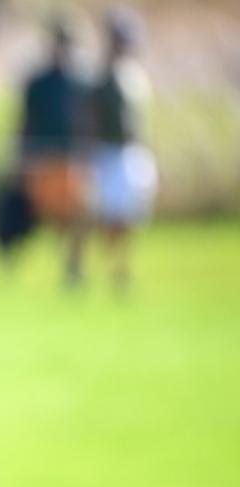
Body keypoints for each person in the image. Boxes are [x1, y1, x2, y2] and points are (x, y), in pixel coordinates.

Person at [18, 15, 94, 286]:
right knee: (52, 215)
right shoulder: (39, 82)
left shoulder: (83, 80)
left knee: (78, 213)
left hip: (76, 155)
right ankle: (67, 259)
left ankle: (74, 264)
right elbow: (25, 122)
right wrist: (22, 155)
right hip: (46, 156)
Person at [89, 6, 157, 292]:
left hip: (132, 151)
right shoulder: (103, 76)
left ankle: (120, 267)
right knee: (111, 214)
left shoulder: (133, 75)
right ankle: (110, 267)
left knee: (129, 214)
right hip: (108, 152)